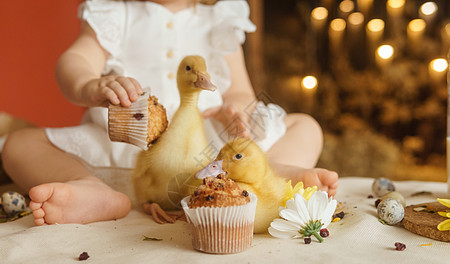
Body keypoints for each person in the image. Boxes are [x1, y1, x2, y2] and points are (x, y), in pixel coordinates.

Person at [1, 0, 338, 226]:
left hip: (210, 155)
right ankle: (92, 189)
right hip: (121, 149)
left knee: (305, 126)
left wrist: (235, 110)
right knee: (18, 144)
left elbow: (239, 89)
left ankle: (266, 174)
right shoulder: (117, 12)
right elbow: (74, 62)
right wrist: (91, 86)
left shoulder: (220, 17)